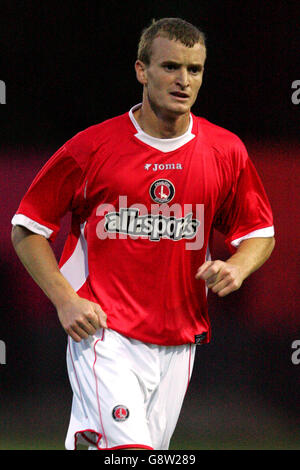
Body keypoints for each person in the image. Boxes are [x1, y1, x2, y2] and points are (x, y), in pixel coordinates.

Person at [11, 17, 275, 451]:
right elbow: (28, 227)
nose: (184, 80)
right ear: (141, 70)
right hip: (104, 332)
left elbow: (260, 232)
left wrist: (238, 267)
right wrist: (64, 299)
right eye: (171, 66)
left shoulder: (225, 150)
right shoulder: (92, 147)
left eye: (195, 69)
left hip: (179, 341)